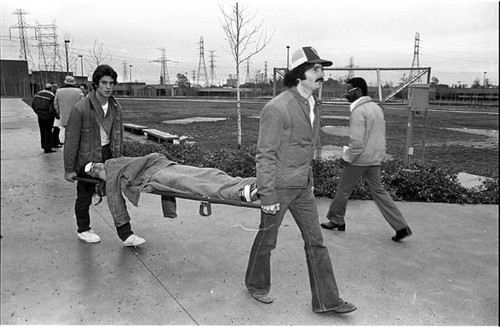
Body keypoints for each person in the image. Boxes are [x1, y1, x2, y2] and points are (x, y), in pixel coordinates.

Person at [244, 46, 356, 314]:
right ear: (298, 74)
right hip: (280, 188)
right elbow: (265, 154)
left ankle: (327, 300)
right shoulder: (277, 107)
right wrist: (268, 196)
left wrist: (310, 180)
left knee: (316, 241)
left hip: (303, 187)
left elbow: (306, 149)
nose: (322, 74)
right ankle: (256, 284)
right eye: (315, 69)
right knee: (267, 240)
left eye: (322, 69)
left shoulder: (313, 104)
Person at [83, 152, 258, 246]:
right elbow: (115, 200)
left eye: (95, 165)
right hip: (157, 171)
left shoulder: (111, 166)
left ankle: (248, 185)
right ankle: (241, 191)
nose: (97, 167)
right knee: (195, 181)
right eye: (93, 170)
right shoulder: (110, 174)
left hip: (159, 167)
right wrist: (125, 234)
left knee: (205, 174)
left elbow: (114, 199)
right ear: (96, 177)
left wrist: (124, 233)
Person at [320, 77, 412, 242]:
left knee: (344, 189)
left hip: (359, 159)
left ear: (358, 91)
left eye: (348, 90)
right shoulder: (376, 108)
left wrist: (346, 158)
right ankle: (401, 226)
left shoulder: (358, 111)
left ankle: (336, 219)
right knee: (379, 192)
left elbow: (357, 143)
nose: (345, 94)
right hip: (374, 158)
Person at [64, 65, 123, 244]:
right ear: (95, 84)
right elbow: (71, 140)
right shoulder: (81, 108)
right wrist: (69, 169)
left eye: (111, 83)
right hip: (87, 156)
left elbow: (118, 134)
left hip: (108, 153)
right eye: (104, 83)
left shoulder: (115, 107)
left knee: (114, 191)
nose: (108, 87)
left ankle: (125, 232)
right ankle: (83, 229)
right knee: (84, 194)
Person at [54, 75, 84, 144]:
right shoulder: (79, 91)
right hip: (76, 117)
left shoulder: (59, 91)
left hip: (64, 117)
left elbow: (55, 104)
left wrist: (59, 112)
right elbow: (83, 104)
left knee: (64, 135)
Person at [31, 83, 58, 153]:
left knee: (42, 131)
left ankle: (43, 145)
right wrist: (55, 115)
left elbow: (33, 105)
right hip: (48, 116)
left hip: (40, 116)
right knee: (48, 132)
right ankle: (48, 147)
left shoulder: (37, 94)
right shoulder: (51, 95)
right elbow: (53, 108)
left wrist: (37, 112)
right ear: (51, 88)